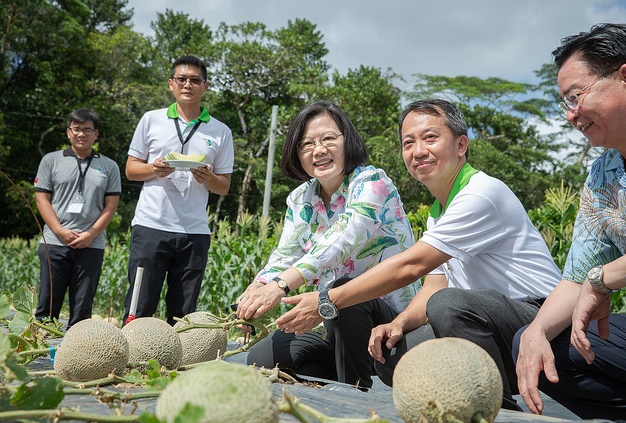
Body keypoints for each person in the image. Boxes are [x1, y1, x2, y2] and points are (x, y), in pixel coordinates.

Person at [276, 99, 562, 410]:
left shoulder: (481, 194)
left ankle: (497, 410)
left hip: (540, 321)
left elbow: (412, 266)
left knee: (448, 304)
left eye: (430, 138)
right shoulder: (438, 212)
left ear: (461, 144)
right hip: (483, 324)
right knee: (393, 354)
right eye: (408, 143)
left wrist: (325, 300)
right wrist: (399, 323)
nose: (418, 151)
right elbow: (434, 285)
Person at [235, 101, 420, 389]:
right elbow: (285, 255)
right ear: (296, 154)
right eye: (306, 144)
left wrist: (281, 286)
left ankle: (354, 399)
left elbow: (341, 240)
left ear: (348, 141)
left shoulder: (373, 183)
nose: (318, 150)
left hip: (393, 321)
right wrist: (257, 290)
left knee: (342, 291)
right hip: (333, 319)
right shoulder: (300, 199)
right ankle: (336, 381)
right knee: (263, 357)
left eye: (328, 139)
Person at [513, 23, 626, 423]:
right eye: (563, 104)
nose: (571, 115)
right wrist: (535, 332)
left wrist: (603, 278)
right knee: (538, 345)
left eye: (575, 96)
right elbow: (576, 276)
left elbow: (596, 277)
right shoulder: (602, 172)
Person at [122, 55, 234, 326]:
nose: (188, 85)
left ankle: (172, 365)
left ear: (205, 86)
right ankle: (128, 364)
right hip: (151, 225)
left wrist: (207, 177)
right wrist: (154, 169)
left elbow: (224, 187)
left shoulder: (221, 131)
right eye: (182, 79)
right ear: (171, 84)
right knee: (139, 306)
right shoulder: (151, 120)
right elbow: (130, 170)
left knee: (182, 315)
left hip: (194, 232)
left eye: (195, 80)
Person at [34, 108, 121, 328]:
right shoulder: (51, 160)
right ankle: (41, 355)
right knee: (47, 304)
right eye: (76, 129)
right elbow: (42, 199)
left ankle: (77, 355)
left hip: (91, 244)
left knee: (82, 308)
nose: (81, 134)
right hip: (54, 242)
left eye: (87, 130)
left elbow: (111, 207)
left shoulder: (109, 166)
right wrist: (60, 231)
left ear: (96, 134)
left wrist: (90, 234)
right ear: (68, 132)